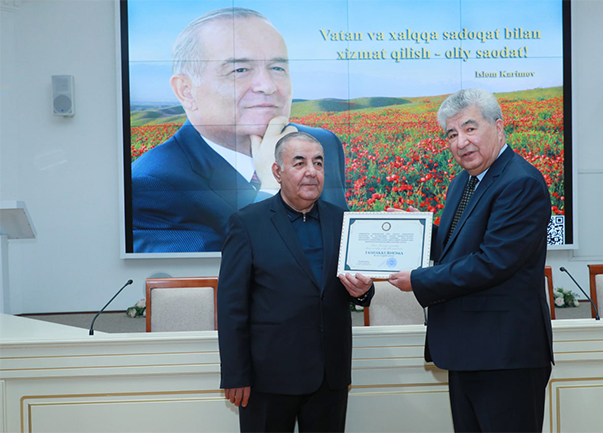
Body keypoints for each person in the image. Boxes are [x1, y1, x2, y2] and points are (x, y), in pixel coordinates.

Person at [388, 88, 553, 432]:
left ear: (499, 126)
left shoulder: (520, 182)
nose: (461, 142)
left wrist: (418, 280)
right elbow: (457, 247)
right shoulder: (464, 182)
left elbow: (493, 262)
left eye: (470, 128)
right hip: (469, 350)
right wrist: (415, 232)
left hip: (505, 356)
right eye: (451, 134)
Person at [131, 8, 347, 253]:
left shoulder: (321, 143)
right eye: (240, 70)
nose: (267, 86)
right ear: (186, 91)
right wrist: (271, 187)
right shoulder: (152, 187)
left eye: (277, 68)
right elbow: (224, 272)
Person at [217, 132, 373, 432]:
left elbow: (359, 284)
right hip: (268, 379)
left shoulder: (343, 220)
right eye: (300, 163)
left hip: (329, 376)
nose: (311, 171)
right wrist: (236, 374)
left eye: (318, 163)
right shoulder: (247, 223)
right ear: (277, 172)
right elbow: (231, 306)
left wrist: (364, 291)